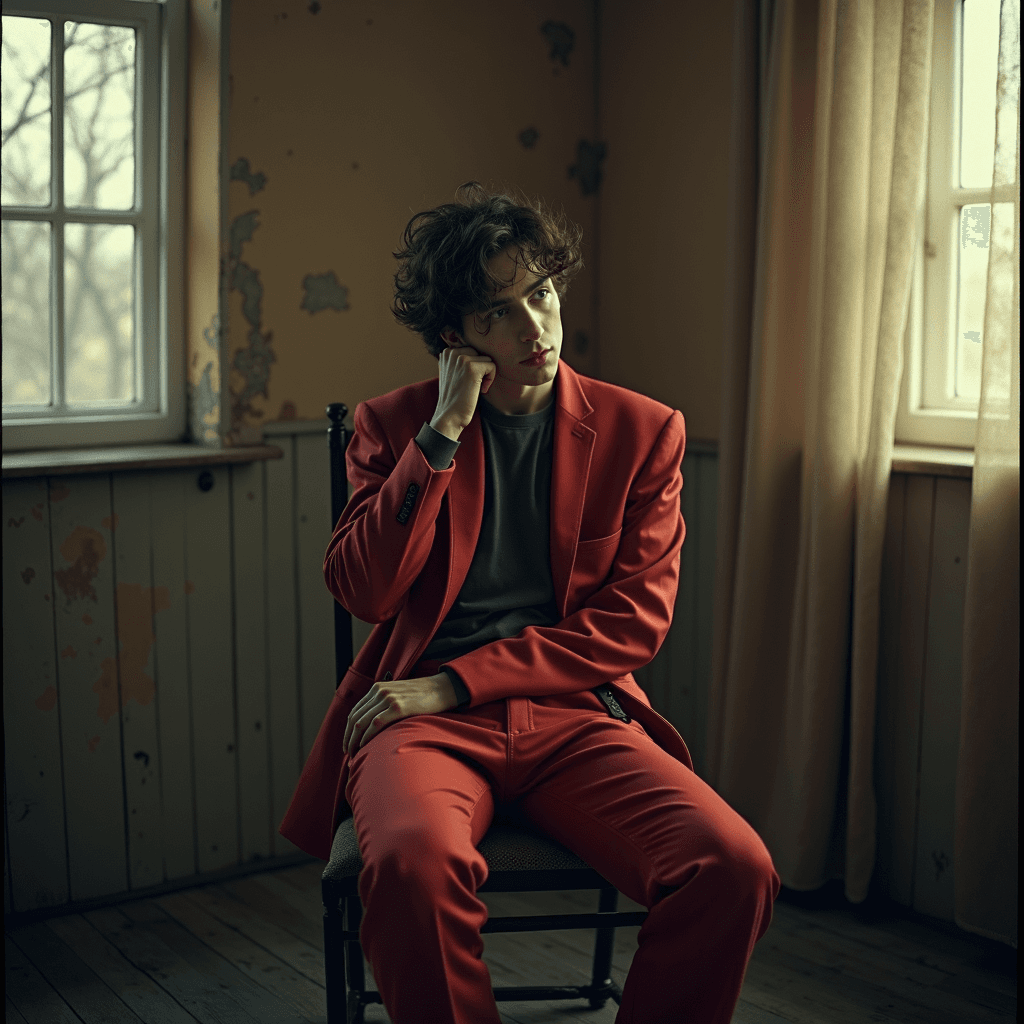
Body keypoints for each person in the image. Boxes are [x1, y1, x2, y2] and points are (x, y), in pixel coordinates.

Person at [280, 182, 780, 1024]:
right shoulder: (393, 424)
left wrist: (458, 681)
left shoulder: (643, 430)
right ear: (453, 335)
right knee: (408, 865)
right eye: (497, 312)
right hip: (416, 722)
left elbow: (632, 624)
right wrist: (441, 432)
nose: (534, 329)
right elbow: (364, 590)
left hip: (572, 713)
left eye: (540, 294)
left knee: (732, 865)